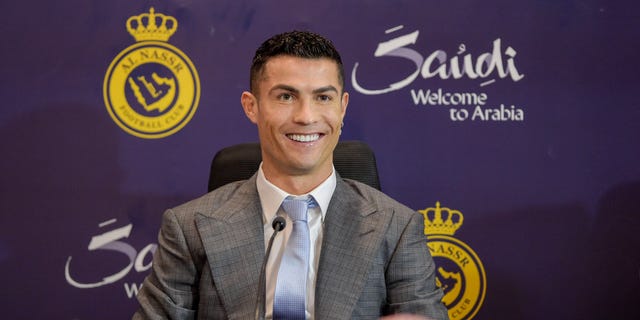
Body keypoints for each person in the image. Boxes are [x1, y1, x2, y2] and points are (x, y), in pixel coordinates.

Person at [133, 30, 449, 320]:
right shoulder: (189, 227)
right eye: (286, 96)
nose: (306, 116)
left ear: (342, 107)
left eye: (323, 97)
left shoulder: (396, 227)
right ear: (251, 106)